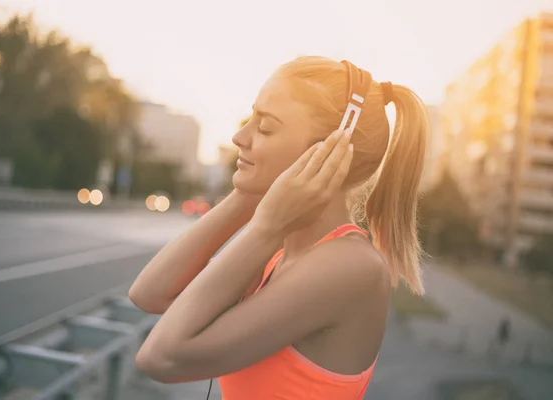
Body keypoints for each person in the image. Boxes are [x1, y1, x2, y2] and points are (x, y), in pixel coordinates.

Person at [129, 55, 428, 399]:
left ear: (331, 150)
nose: (240, 137)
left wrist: (265, 226)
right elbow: (150, 294)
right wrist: (246, 197)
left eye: (265, 127)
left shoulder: (351, 267)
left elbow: (161, 357)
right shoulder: (280, 255)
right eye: (249, 119)